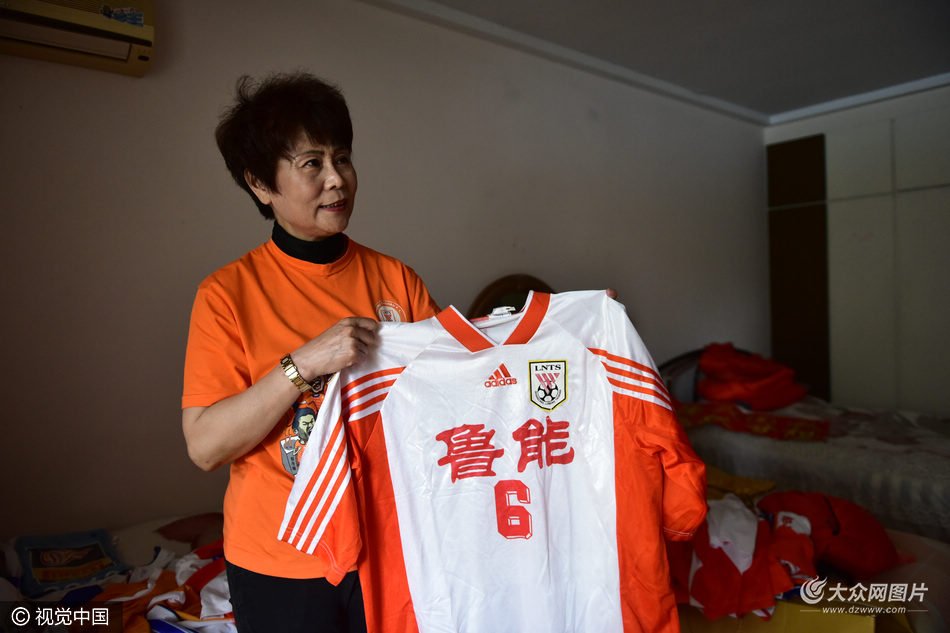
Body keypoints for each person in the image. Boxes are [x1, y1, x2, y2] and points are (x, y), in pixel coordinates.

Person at [181, 72, 440, 633]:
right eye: (312, 163)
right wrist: (303, 365)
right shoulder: (226, 294)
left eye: (342, 158)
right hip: (278, 560)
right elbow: (205, 445)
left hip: (392, 543)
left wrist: (570, 335)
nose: (336, 179)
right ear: (260, 184)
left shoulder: (398, 280)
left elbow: (454, 391)